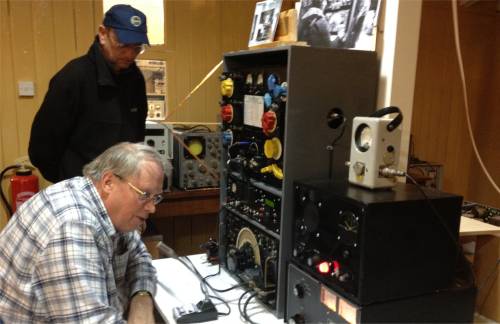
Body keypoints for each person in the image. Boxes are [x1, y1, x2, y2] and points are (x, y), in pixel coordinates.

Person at [0, 142, 164, 323]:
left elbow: (139, 257)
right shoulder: (73, 226)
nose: (152, 208)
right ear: (108, 182)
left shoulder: (114, 210)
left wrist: (141, 298)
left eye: (156, 197)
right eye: (144, 194)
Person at [28, 4, 150, 184]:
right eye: (123, 45)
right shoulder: (73, 77)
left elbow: (137, 136)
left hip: (121, 189)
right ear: (103, 34)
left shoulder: (135, 79)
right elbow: (42, 148)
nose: (130, 54)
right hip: (78, 189)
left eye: (137, 47)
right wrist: (69, 182)